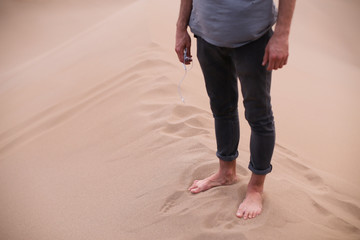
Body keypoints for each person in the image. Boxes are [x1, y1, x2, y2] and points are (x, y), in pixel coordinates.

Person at [175, 0, 296, 220]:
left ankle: (256, 188)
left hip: (253, 39)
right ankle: (226, 172)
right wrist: (180, 29)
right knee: (221, 107)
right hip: (206, 35)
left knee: (258, 114)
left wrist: (282, 35)